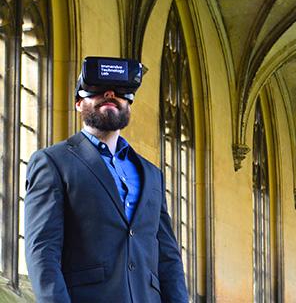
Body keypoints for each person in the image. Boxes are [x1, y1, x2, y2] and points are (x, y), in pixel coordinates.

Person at [24, 57, 188, 303]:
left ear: (129, 105)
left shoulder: (152, 174)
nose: (110, 94)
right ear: (79, 103)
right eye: (98, 90)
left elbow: (168, 256)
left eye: (120, 92)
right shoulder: (52, 162)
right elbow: (42, 251)